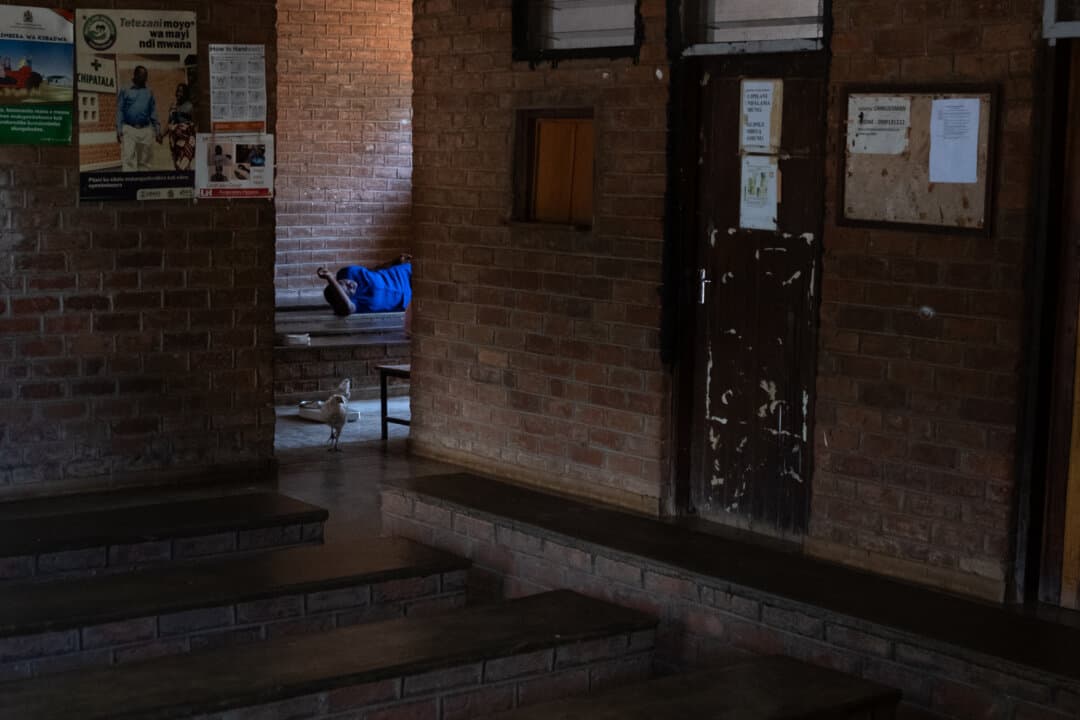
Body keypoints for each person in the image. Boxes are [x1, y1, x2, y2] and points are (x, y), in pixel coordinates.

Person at [318, 255, 412, 317]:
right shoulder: (356, 302)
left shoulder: (348, 272)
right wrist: (329, 278)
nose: (350, 284)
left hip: (404, 272)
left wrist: (394, 262)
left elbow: (373, 270)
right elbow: (347, 308)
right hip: (408, 296)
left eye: (344, 283)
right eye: (348, 290)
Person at [116, 66, 162, 172]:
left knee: (145, 162)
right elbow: (120, 110)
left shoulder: (149, 92)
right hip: (129, 128)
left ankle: (143, 184)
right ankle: (129, 186)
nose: (145, 79)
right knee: (128, 159)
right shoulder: (125, 89)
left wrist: (158, 130)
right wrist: (118, 129)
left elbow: (153, 112)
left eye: (146, 77)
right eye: (142, 77)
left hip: (145, 130)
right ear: (135, 75)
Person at [166, 83, 195, 171]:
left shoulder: (190, 106)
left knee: (185, 164)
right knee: (177, 164)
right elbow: (169, 122)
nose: (179, 93)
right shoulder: (173, 106)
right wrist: (161, 135)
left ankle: (187, 181)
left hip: (186, 140)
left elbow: (195, 124)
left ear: (186, 94)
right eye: (178, 91)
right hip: (174, 141)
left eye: (182, 92)